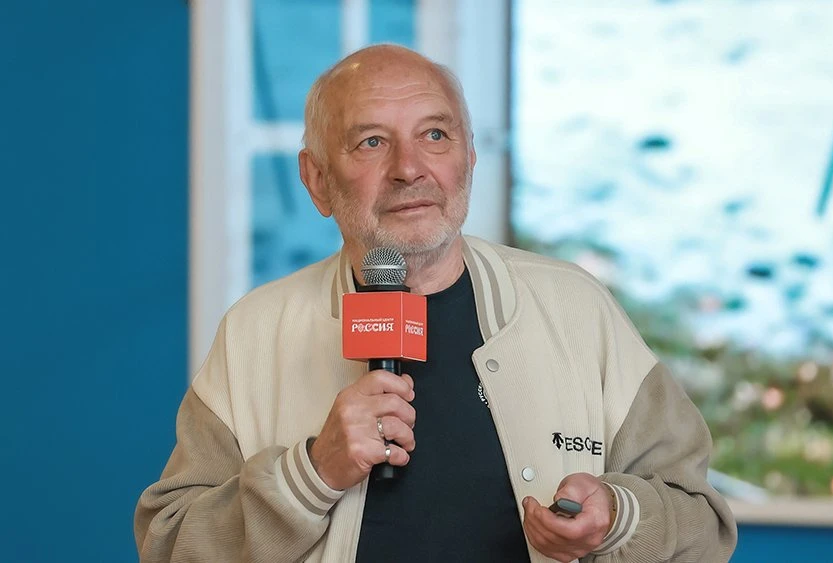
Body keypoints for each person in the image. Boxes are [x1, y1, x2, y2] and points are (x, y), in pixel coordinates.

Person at [134, 44, 737, 563]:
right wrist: (310, 475)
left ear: (469, 158)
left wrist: (617, 519)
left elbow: (703, 524)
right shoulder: (255, 332)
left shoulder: (576, 309)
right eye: (371, 142)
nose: (409, 169)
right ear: (317, 180)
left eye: (435, 135)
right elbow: (169, 543)